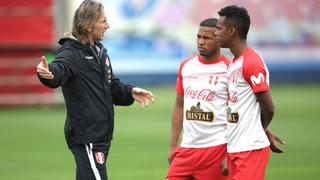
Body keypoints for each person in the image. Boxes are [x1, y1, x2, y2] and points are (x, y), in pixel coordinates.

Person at [36, 0, 154, 180]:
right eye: (103, 21)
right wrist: (46, 73)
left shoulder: (99, 50)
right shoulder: (71, 53)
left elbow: (111, 86)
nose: (108, 25)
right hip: (87, 137)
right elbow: (58, 71)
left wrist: (130, 91)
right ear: (89, 25)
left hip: (101, 136)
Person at [215, 5, 285, 180]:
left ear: (232, 31)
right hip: (235, 148)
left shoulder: (251, 62)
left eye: (219, 28)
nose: (216, 32)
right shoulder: (234, 62)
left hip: (250, 149)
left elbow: (269, 107)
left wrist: (259, 130)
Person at [166, 18, 230, 180]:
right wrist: (174, 145)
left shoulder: (230, 69)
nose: (201, 42)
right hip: (186, 149)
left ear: (218, 39)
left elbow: (241, 112)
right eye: (199, 37)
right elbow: (179, 105)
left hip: (217, 149)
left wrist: (231, 153)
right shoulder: (186, 66)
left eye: (206, 38)